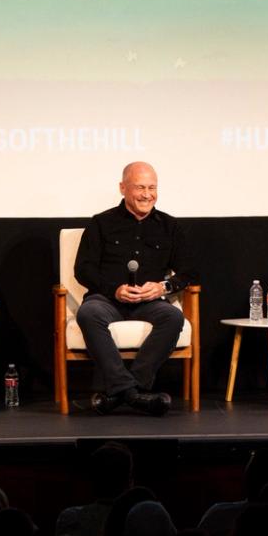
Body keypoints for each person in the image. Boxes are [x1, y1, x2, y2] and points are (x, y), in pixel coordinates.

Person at [73, 161, 197, 417]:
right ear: (123, 188)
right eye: (140, 187)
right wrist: (114, 289)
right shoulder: (101, 223)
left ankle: (124, 391)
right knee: (88, 314)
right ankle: (134, 394)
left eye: (152, 188)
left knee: (174, 317)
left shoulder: (170, 226)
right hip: (107, 299)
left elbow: (190, 272)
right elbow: (83, 269)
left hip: (150, 303)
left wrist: (163, 287)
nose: (147, 194)